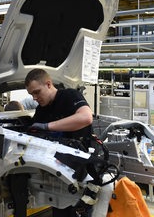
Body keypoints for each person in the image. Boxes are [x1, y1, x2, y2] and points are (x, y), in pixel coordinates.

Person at [24, 68, 93, 217]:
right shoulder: (42, 110)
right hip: (58, 176)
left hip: (81, 173)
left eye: (37, 92)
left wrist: (48, 126)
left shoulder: (69, 95)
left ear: (48, 84)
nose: (35, 98)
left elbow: (86, 117)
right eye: (31, 94)